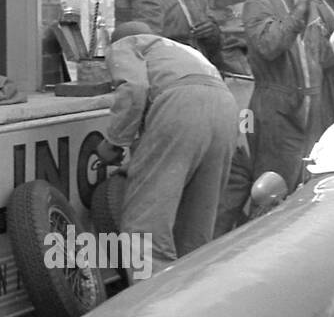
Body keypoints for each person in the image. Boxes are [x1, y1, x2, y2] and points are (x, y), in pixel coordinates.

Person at [94, 23, 236, 274]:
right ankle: (193, 301)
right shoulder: (180, 50)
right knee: (194, 230)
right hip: (226, 108)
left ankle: (154, 307)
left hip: (181, 104)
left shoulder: (127, 45)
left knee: (144, 229)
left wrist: (115, 141)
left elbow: (134, 89)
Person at [241, 0, 334, 190]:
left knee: (307, 186)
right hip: (276, 108)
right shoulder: (261, 0)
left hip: (314, 107)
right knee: (273, 186)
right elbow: (269, 47)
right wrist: (298, 12)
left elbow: (332, 55)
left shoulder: (320, 1)